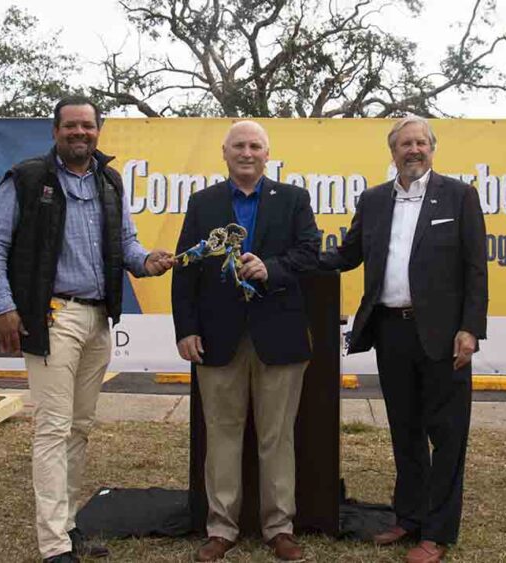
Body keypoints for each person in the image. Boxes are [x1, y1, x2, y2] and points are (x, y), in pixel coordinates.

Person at [0, 96, 175, 563]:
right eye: (71, 126)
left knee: (79, 427)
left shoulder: (109, 181)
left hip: (98, 317)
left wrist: (147, 262)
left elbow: (125, 243)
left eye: (87, 126)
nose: (79, 133)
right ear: (55, 131)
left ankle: (66, 526)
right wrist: (3, 307)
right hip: (51, 316)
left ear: (97, 131)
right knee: (52, 427)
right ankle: (53, 545)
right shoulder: (27, 178)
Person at [320, 116, 488, 563]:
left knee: (447, 436)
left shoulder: (459, 195)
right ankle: (408, 518)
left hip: (444, 336)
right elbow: (346, 253)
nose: (413, 150)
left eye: (421, 143)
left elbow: (475, 269)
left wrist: (470, 329)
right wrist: (293, 259)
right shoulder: (374, 200)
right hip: (391, 331)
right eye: (404, 144)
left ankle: (437, 532)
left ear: (432, 148)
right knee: (405, 431)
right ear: (391, 151)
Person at [172, 120, 320, 562]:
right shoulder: (204, 203)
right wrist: (186, 329)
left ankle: (279, 528)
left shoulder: (293, 199)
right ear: (225, 153)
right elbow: (186, 269)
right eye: (239, 146)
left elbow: (309, 253)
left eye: (255, 146)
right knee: (221, 434)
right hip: (218, 338)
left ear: (267, 154)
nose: (247, 153)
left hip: (279, 335)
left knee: (277, 437)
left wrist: (270, 268)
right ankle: (221, 529)